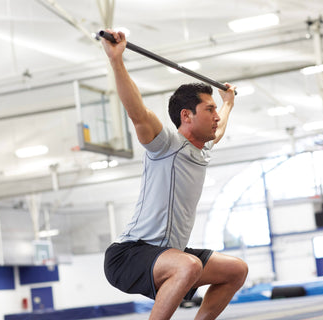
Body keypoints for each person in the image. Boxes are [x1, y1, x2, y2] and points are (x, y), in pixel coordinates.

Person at [100, 30, 248, 320]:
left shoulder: (202, 149)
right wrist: (117, 61)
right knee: (189, 265)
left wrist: (227, 102)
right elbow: (137, 112)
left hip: (169, 253)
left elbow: (218, 130)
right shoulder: (165, 144)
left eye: (217, 110)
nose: (216, 116)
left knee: (235, 270)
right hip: (129, 255)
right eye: (210, 109)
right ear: (186, 116)